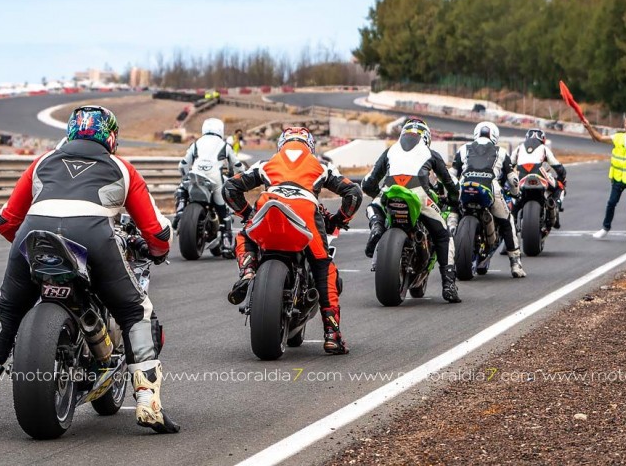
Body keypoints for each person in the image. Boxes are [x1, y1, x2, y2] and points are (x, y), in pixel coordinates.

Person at [0, 105, 179, 434]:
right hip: (94, 236)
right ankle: (148, 401)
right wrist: (159, 251)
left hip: (33, 233)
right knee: (136, 311)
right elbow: (157, 232)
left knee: (5, 310)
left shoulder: (42, 162)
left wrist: (23, 244)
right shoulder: (122, 168)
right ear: (111, 137)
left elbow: (5, 221)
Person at [223, 127, 362, 354]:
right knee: (323, 265)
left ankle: (248, 270)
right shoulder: (321, 166)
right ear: (310, 146)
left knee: (246, 235)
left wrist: (247, 214)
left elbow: (229, 188)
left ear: (281, 145)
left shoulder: (267, 164)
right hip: (306, 209)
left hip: (269, 203)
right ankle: (332, 335)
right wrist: (338, 220)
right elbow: (353, 193)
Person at [362, 117, 461, 303]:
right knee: (443, 235)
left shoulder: (390, 150)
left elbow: (367, 183)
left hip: (390, 192)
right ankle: (448, 285)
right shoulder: (430, 153)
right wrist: (455, 200)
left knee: (373, 205)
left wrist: (379, 194)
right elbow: (451, 183)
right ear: (426, 137)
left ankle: (377, 227)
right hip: (420, 195)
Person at [449, 121, 526, 278]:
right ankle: (515, 264)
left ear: (476, 134)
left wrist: (449, 191)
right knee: (507, 221)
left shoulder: (463, 149)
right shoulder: (501, 152)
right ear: (495, 136)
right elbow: (513, 179)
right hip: (490, 188)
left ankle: (448, 262)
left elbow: (451, 174)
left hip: (465, 186)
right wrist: (516, 193)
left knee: (452, 215)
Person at [173, 118, 244, 255]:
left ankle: (179, 213)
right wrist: (240, 177)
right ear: (220, 130)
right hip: (215, 178)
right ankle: (227, 245)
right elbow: (238, 166)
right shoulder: (225, 145)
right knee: (224, 213)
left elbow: (182, 165)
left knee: (182, 188)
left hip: (195, 175)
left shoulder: (196, 143)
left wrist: (185, 177)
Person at [510, 128, 567, 228]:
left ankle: (513, 218)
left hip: (521, 175)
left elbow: (509, 164)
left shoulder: (519, 147)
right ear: (543, 139)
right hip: (539, 174)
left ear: (527, 137)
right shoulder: (544, 148)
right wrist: (561, 179)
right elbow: (559, 168)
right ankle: (555, 206)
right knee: (560, 187)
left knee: (513, 194)